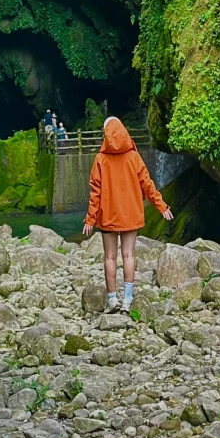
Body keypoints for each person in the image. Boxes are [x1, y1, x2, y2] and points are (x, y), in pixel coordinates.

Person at [83, 116, 173, 312]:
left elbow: (95, 192)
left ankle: (112, 300)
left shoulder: (100, 159)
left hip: (107, 216)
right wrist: (162, 206)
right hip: (131, 215)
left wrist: (90, 218)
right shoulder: (134, 157)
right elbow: (147, 184)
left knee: (109, 257)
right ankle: (128, 300)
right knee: (129, 255)